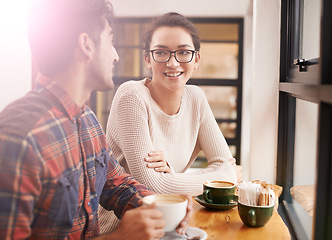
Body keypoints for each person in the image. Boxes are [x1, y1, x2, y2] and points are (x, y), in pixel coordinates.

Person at [0, 1, 191, 239]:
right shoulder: (20, 137)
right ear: (86, 45)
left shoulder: (87, 120)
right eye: (110, 41)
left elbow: (117, 185)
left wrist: (161, 207)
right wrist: (118, 238)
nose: (116, 55)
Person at [99, 12, 242, 232]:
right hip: (121, 230)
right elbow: (152, 186)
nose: (173, 62)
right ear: (148, 58)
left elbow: (225, 163)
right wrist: (226, 176)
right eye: (162, 52)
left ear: (196, 60)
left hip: (170, 227)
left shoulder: (196, 98)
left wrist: (173, 177)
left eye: (183, 52)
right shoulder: (132, 96)